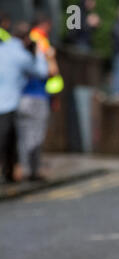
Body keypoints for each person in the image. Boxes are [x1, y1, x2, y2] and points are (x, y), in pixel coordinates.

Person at [0, 22, 48, 183]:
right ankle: (10, 172)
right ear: (26, 39)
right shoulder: (21, 55)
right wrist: (41, 54)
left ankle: (10, 173)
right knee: (10, 140)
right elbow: (41, 72)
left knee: (10, 140)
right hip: (10, 103)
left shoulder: (2, 49)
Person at [15, 14, 60, 181]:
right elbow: (49, 71)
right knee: (35, 136)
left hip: (22, 97)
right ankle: (30, 170)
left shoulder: (14, 50)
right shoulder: (39, 43)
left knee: (24, 136)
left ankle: (28, 169)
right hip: (37, 97)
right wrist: (50, 57)